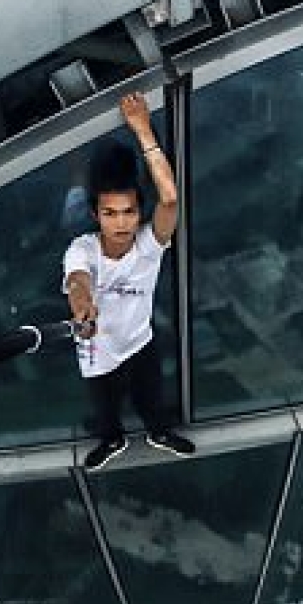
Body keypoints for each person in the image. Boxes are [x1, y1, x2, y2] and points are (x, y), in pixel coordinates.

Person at [63, 91, 196, 471]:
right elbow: (77, 281)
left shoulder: (148, 246)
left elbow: (169, 201)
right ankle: (112, 440)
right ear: (96, 215)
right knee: (104, 407)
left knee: (151, 398)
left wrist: (143, 130)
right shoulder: (82, 248)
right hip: (97, 347)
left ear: (138, 212)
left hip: (139, 340)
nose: (121, 222)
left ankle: (159, 433)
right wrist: (82, 306)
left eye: (129, 212)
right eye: (110, 213)